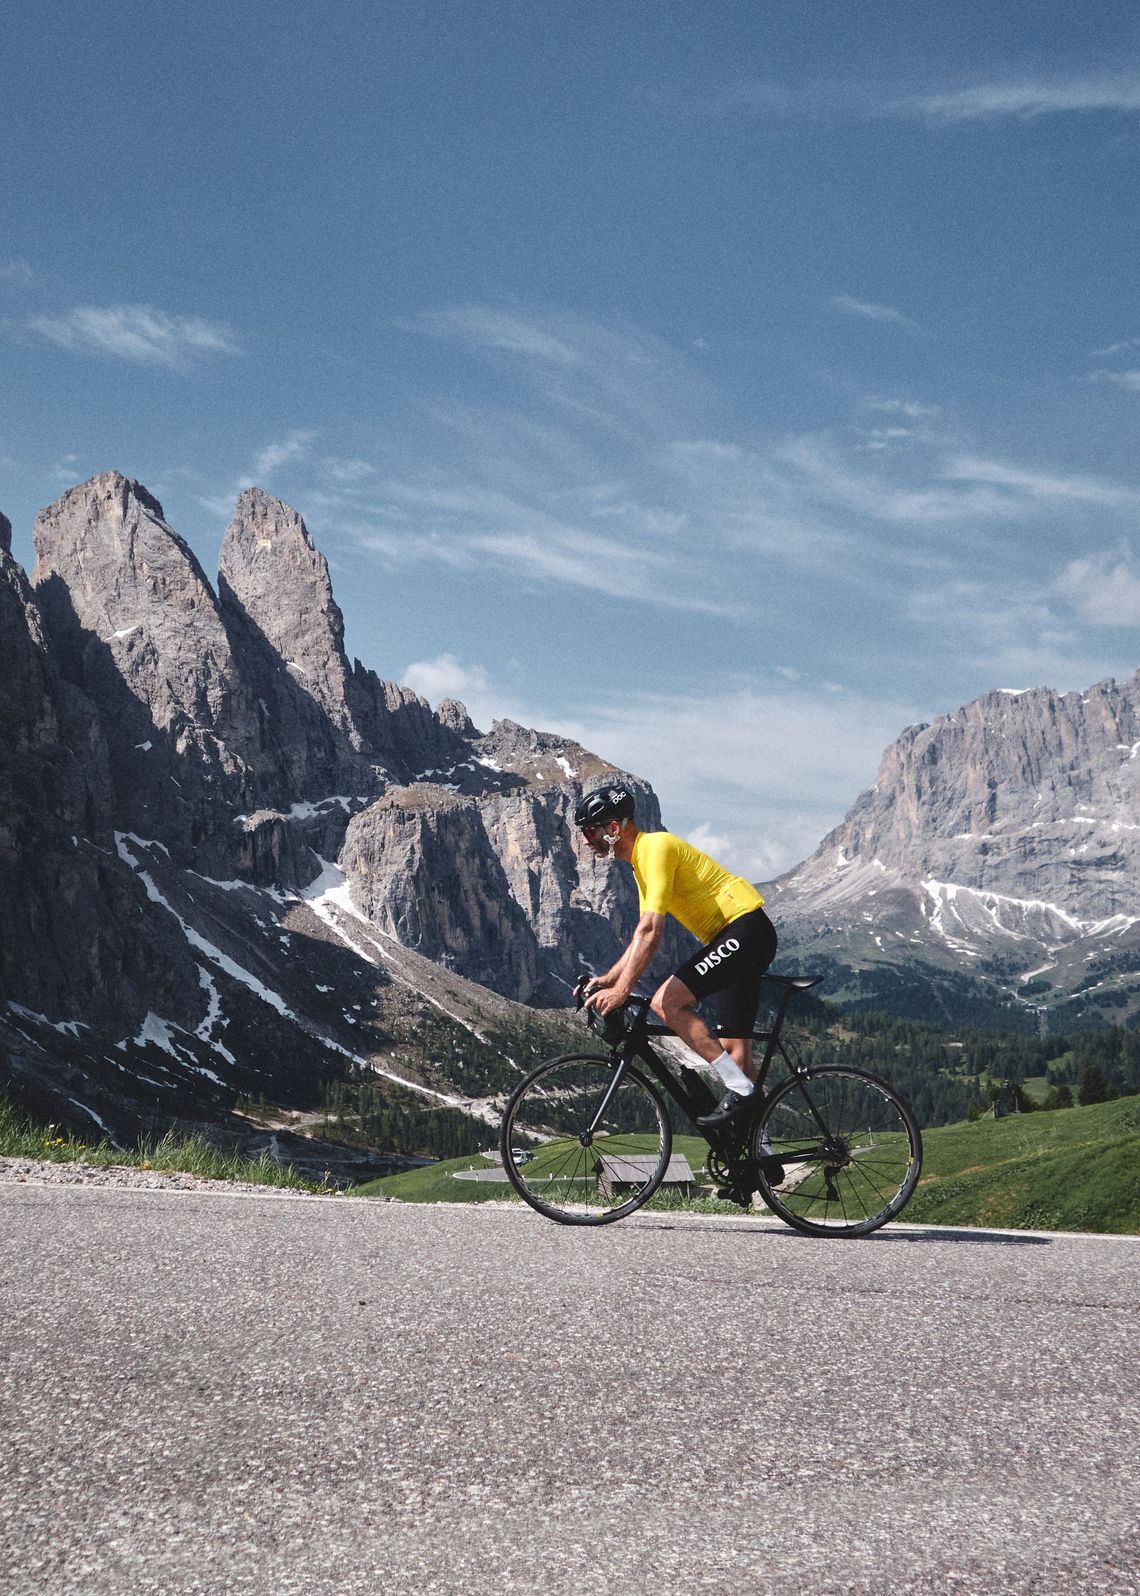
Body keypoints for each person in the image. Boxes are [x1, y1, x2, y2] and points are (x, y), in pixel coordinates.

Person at [575, 782, 777, 1128]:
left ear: (612, 828)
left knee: (666, 1003)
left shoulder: (655, 848)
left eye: (589, 830)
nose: (585, 839)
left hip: (743, 931)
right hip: (739, 936)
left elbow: (652, 932)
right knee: (734, 1051)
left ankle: (741, 1090)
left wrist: (623, 990)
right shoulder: (641, 861)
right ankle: (761, 1158)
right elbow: (642, 933)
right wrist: (608, 978)